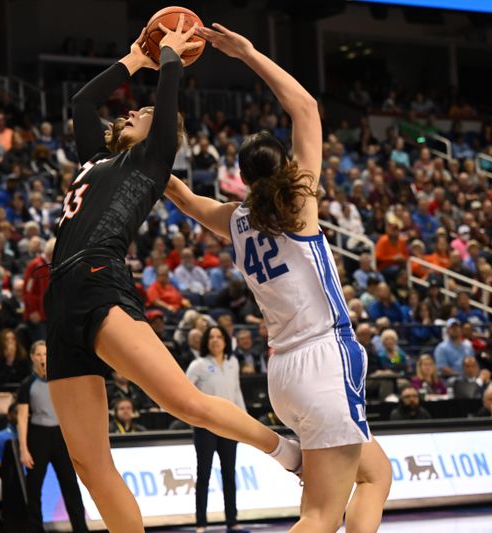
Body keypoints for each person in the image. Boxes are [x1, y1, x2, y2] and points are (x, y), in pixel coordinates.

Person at [44, 22, 301, 533]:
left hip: (99, 278)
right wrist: (135, 59)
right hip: (59, 298)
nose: (133, 110)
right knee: (89, 465)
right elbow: (80, 102)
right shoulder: (97, 158)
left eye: (142, 111)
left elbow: (164, 114)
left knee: (181, 401)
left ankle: (284, 451)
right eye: (131, 110)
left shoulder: (151, 162)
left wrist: (169, 60)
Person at [164, 22, 391, 533]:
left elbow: (180, 195)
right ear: (286, 167)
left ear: (242, 178)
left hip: (284, 374)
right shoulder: (298, 203)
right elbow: (306, 108)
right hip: (322, 361)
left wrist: (138, 152)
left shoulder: (235, 219)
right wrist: (246, 53)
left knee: (376, 474)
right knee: (320, 516)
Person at [17, 341, 88, 532]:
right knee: (34, 488)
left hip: (60, 435)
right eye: (39, 355)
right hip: (38, 436)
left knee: (71, 486)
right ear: (32, 357)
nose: (42, 359)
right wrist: (23, 449)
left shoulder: (60, 381)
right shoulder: (27, 385)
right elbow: (22, 418)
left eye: (46, 355)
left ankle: (81, 528)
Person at [186, 325, 246, 533]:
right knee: (203, 475)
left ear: (225, 341)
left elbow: (237, 393)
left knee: (229, 475)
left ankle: (232, 521)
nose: (215, 340)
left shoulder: (233, 363)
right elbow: (183, 392)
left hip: (230, 427)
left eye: (219, 336)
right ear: (205, 341)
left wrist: (244, 423)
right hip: (205, 428)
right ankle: (201, 523)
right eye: (211, 337)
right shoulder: (198, 365)